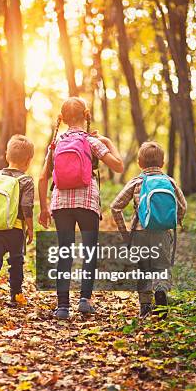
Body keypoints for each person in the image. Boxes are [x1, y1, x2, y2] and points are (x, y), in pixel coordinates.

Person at [38, 97, 124, 320]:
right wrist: (107, 141)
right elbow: (118, 166)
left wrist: (44, 209)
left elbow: (42, 177)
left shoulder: (56, 143)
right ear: (86, 114)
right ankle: (85, 300)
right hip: (87, 201)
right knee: (89, 251)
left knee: (64, 252)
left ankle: (63, 306)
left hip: (61, 203)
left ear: (62, 118)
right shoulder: (91, 142)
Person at [110, 141, 187, 318]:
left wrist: (125, 233)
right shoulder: (169, 182)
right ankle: (160, 293)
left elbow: (115, 207)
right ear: (163, 163)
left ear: (139, 163)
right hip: (162, 233)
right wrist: (173, 221)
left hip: (139, 232)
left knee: (144, 268)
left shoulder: (137, 182)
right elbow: (183, 206)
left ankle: (145, 307)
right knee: (161, 267)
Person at [0, 135, 35, 308]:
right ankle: (15, 296)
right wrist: (30, 229)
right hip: (15, 231)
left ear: (6, 155)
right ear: (28, 160)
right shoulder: (26, 180)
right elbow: (27, 207)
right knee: (16, 262)